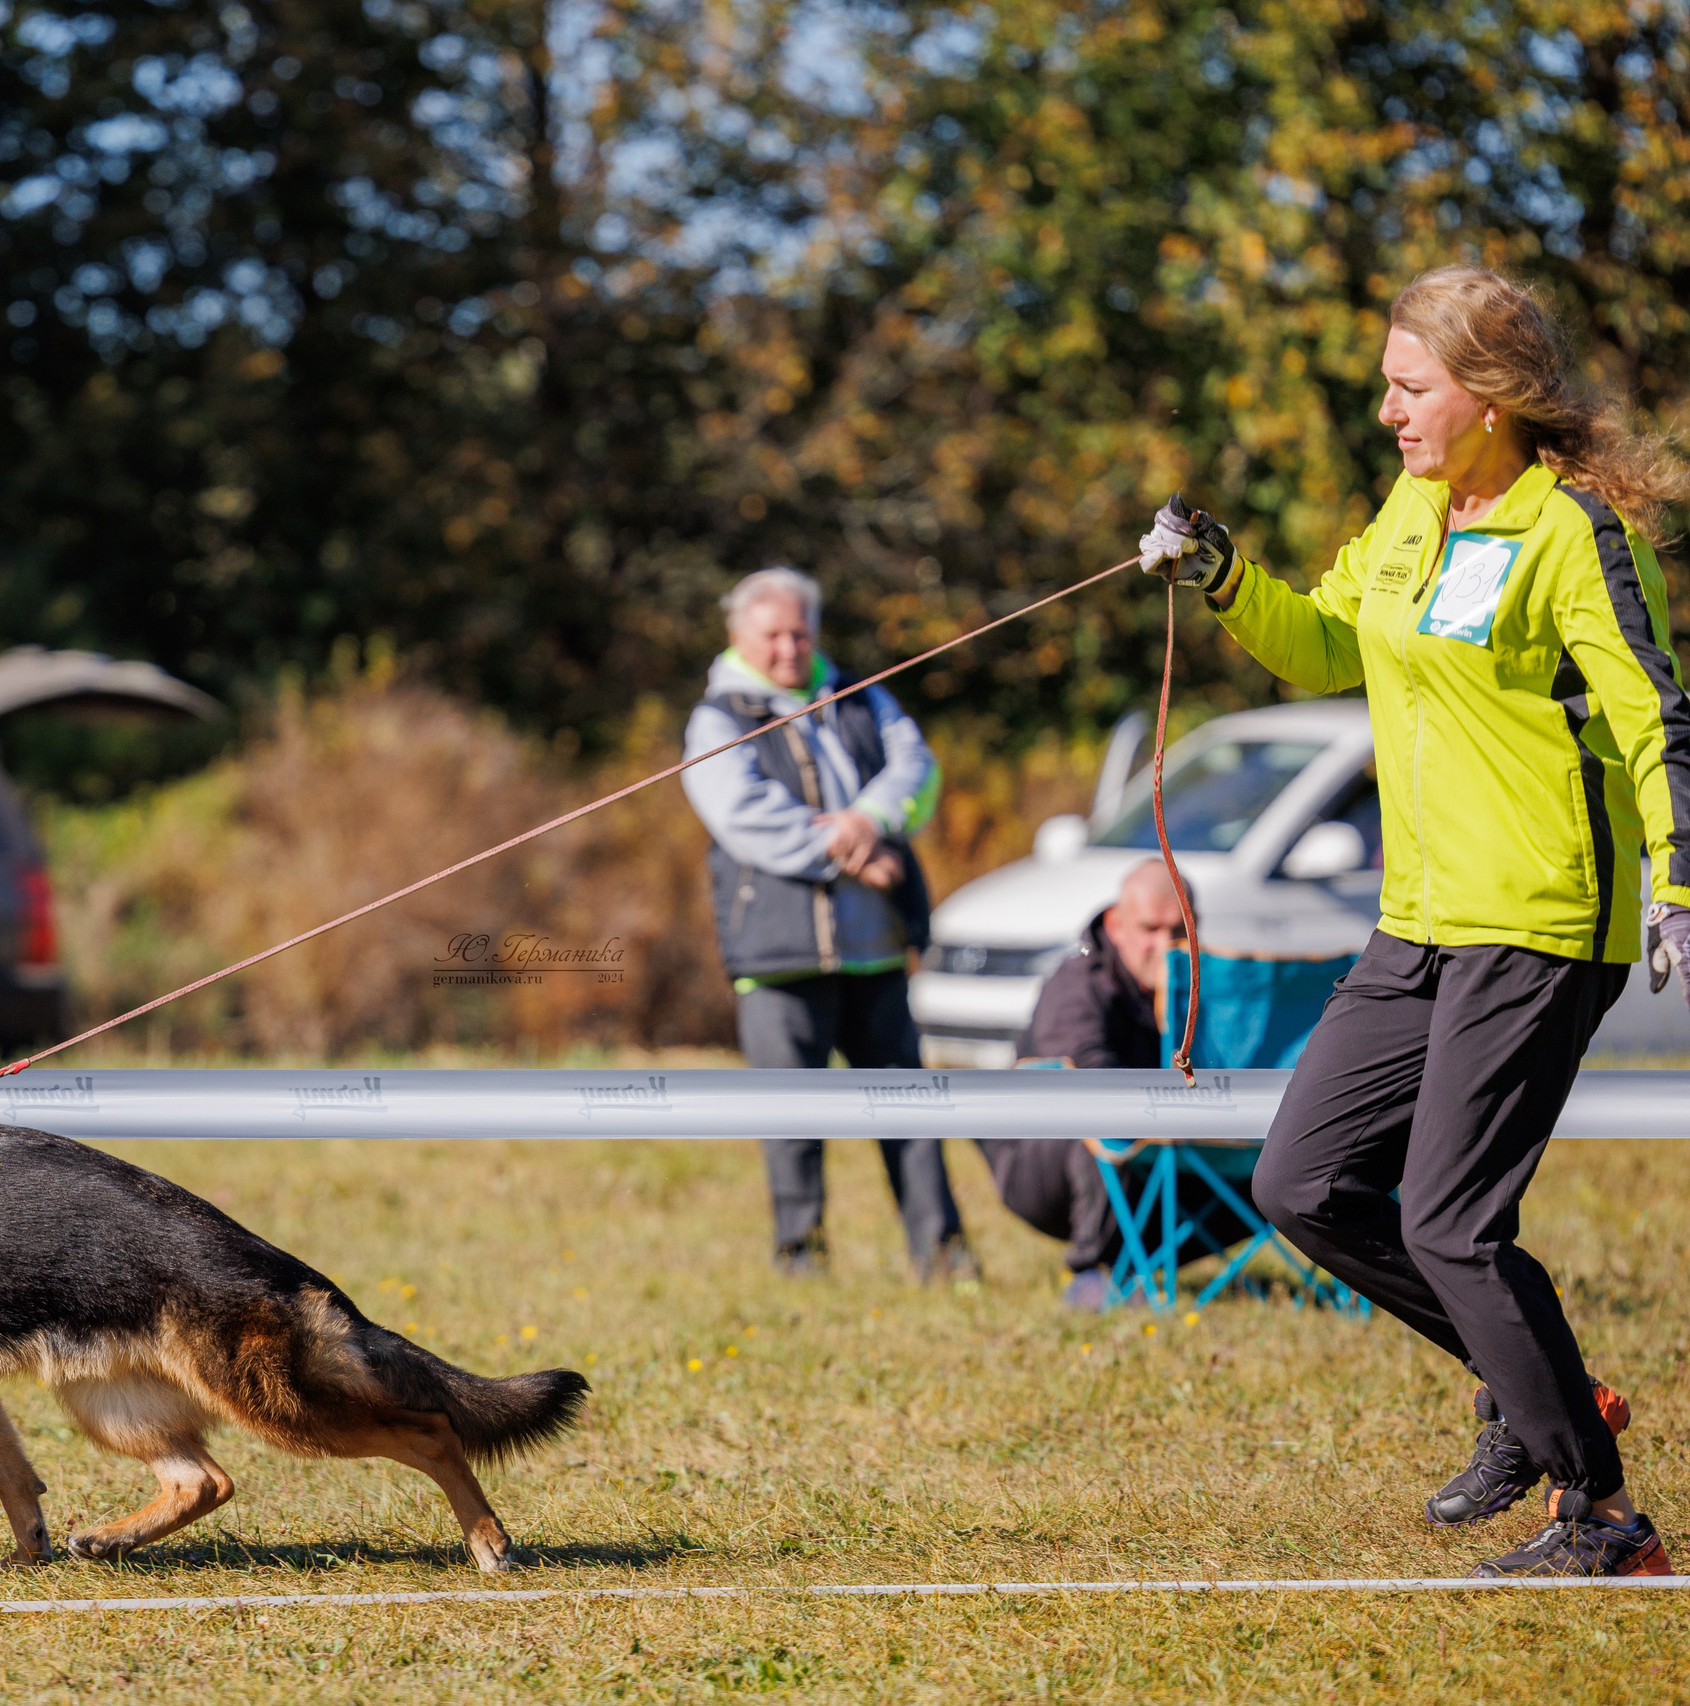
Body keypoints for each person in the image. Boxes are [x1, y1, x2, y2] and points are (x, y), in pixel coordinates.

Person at [1141, 265, 1688, 1578]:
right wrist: (1222, 572)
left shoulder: (1572, 533)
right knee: (1304, 1182)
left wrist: (1678, 874)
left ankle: (1604, 1517)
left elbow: (1656, 712)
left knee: (1448, 1218)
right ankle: (1537, 1394)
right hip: (1418, 917)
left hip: (1543, 919)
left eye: (1409, 385)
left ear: (1489, 397)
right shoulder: (1415, 506)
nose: (1386, 409)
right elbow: (1334, 644)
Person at [683, 566, 973, 1283]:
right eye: (773, 634)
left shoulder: (861, 696)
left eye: (799, 632)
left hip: (873, 947)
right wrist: (852, 856)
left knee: (907, 1111)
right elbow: (746, 817)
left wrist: (865, 823)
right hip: (777, 954)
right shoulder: (718, 718)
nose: (788, 647)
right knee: (791, 1119)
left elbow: (918, 772)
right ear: (739, 636)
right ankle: (801, 1258)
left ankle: (942, 1256)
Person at [981, 859, 1188, 1309]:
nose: (1165, 946)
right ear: (1115, 925)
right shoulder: (1076, 983)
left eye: (1178, 932)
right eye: (1150, 928)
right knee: (1098, 1113)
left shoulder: (1202, 988)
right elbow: (1089, 1077)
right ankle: (1092, 1272)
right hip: (1040, 1156)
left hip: (1155, 1149)